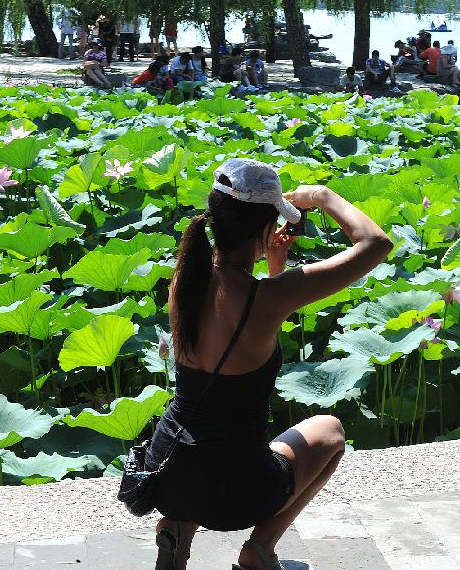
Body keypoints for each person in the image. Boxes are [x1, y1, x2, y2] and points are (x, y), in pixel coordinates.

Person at [145, 158, 392, 570]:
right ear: (264, 229)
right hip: (236, 490)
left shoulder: (184, 279)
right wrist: (322, 197)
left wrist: (272, 261)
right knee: (330, 431)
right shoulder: (272, 296)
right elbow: (375, 243)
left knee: (202, 440)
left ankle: (177, 528)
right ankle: (259, 549)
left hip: (167, 472)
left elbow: (234, 306)